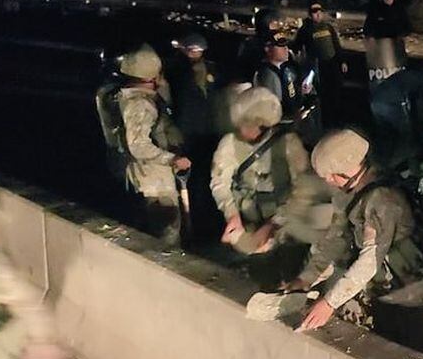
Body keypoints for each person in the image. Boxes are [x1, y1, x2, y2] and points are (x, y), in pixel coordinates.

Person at [295, 130, 423, 331]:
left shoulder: (382, 199)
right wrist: (306, 278)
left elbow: (370, 261)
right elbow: (337, 237)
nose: (328, 181)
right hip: (387, 291)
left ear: (342, 171)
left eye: (330, 176)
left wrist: (329, 303)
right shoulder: (353, 190)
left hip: (412, 296)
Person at [209, 86, 310, 256]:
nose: (242, 129)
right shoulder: (229, 143)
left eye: (248, 125)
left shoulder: (289, 143)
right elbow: (219, 182)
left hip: (285, 222)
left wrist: (274, 223)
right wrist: (231, 214)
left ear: (264, 126)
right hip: (248, 219)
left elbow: (305, 190)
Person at [111, 46, 190, 246]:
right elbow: (138, 145)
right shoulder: (140, 104)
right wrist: (172, 159)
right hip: (154, 181)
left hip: (143, 177)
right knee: (167, 234)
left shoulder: (128, 97)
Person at [166, 33, 221, 230]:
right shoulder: (174, 71)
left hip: (208, 129)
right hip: (186, 131)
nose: (195, 54)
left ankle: (208, 217)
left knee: (209, 174)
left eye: (199, 51)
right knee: (190, 178)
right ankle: (193, 222)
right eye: (192, 51)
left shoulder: (211, 69)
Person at [294, 1, 345, 127]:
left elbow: (336, 45)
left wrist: (342, 61)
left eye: (319, 12)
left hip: (332, 63)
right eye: (314, 13)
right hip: (317, 66)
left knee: (335, 92)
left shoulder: (328, 27)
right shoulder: (305, 29)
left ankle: (337, 119)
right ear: (310, 15)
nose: (317, 15)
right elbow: (297, 46)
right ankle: (325, 121)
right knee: (322, 95)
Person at [363, 0, 411, 86]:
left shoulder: (399, 10)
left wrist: (402, 34)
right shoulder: (375, 10)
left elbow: (407, 26)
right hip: (381, 45)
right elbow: (368, 27)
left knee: (399, 69)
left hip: (396, 44)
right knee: (383, 72)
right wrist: (371, 38)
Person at [254, 33, 309, 119]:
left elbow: (291, 91)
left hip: (295, 115)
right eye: (281, 46)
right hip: (283, 122)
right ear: (267, 49)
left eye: (286, 46)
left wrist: (301, 90)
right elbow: (273, 107)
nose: (286, 49)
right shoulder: (267, 74)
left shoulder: (287, 67)